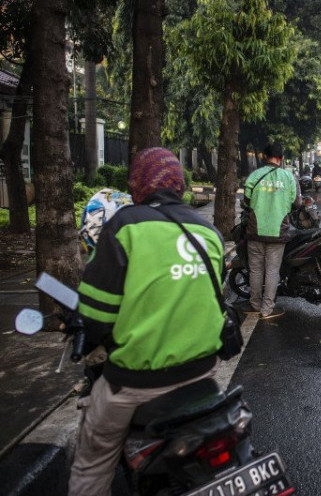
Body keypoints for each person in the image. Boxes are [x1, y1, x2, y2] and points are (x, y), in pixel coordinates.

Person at [69, 148, 225, 495]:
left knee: (91, 464)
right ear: (180, 184)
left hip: (135, 381)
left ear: (137, 183)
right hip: (202, 372)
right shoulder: (208, 231)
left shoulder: (124, 227)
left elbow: (95, 318)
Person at [244, 142, 301, 319]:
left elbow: (246, 201)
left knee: (256, 270)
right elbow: (296, 204)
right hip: (278, 232)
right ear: (281, 158)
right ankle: (267, 309)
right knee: (272, 271)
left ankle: (254, 304)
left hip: (256, 231)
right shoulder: (288, 177)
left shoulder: (255, 176)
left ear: (264, 157)